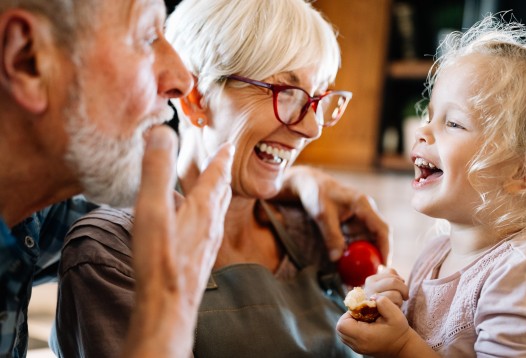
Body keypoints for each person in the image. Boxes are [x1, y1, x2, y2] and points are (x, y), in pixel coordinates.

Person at [0, 0, 388, 357]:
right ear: (198, 99)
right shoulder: (112, 246)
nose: (312, 129)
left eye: (318, 99)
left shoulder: (314, 230)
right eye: (286, 92)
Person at [336, 15, 526, 357]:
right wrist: (388, 315)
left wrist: (401, 346)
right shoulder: (437, 253)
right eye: (429, 114)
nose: (423, 131)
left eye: (453, 123)